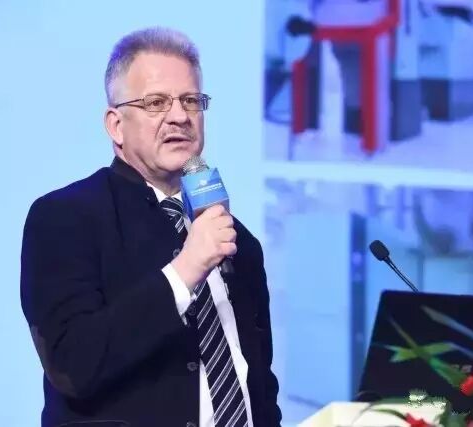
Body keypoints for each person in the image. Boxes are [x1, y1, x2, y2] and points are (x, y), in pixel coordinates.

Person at [20, 27, 281, 427]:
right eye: (156, 103)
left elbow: (260, 383)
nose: (179, 116)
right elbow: (73, 364)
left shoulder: (236, 240)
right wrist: (186, 270)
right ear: (116, 125)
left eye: (191, 101)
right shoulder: (64, 217)